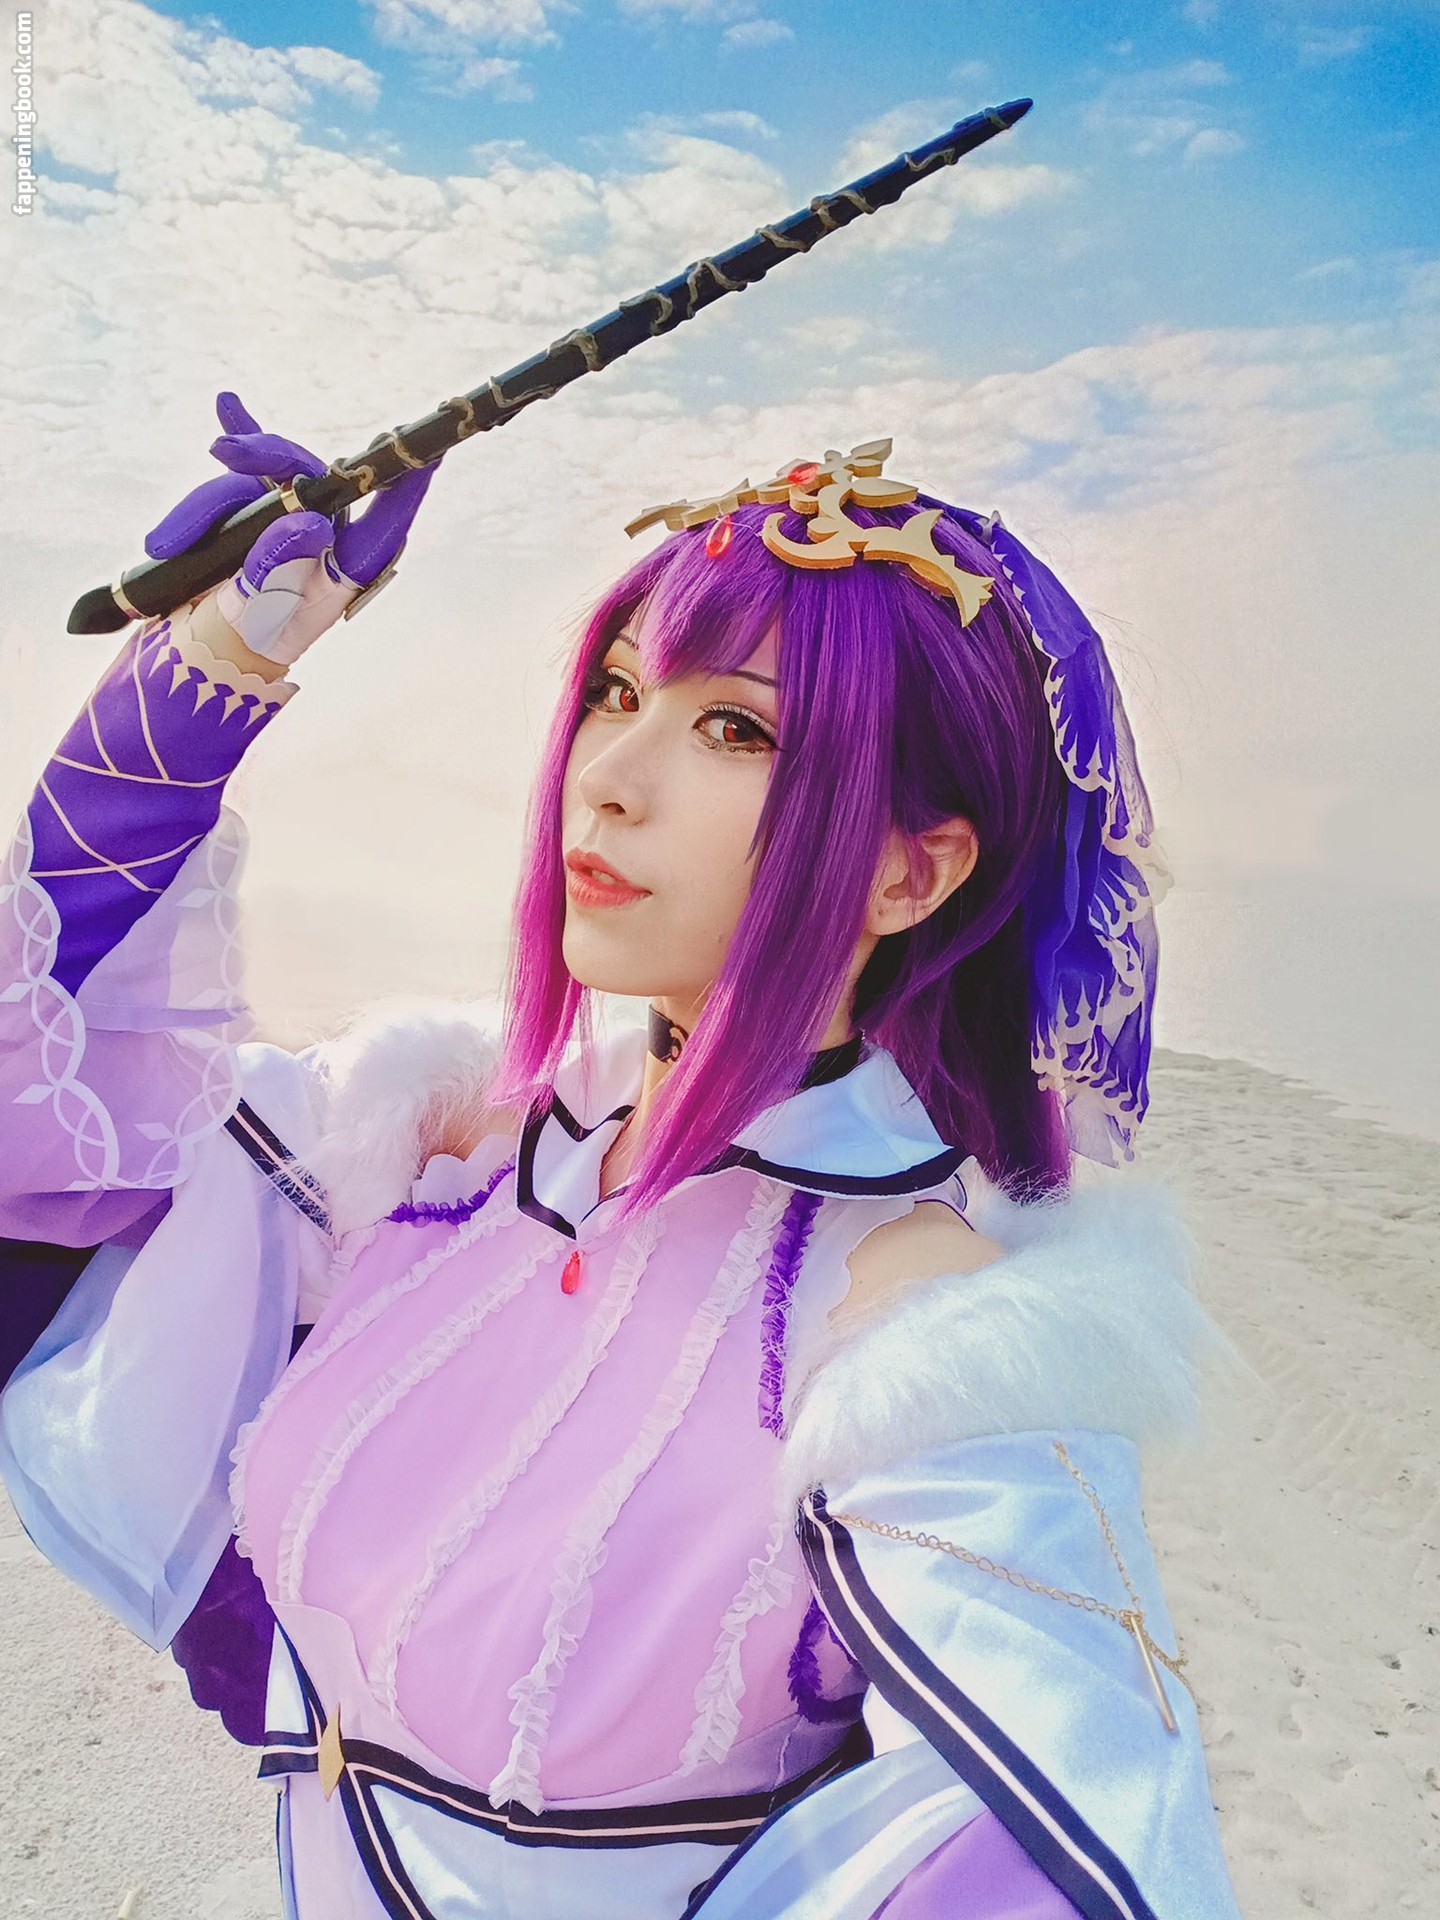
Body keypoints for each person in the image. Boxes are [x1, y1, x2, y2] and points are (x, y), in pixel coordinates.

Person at [0, 398, 1241, 1919]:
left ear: (911, 870)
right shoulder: (447, 1139)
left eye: (737, 729)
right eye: (616, 691)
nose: (609, 777)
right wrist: (215, 672)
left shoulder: (924, 1329)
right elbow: (50, 1108)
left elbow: (1080, 1838)